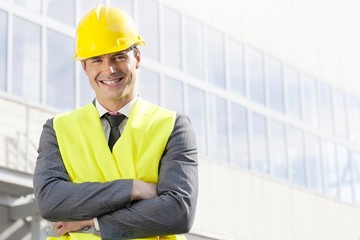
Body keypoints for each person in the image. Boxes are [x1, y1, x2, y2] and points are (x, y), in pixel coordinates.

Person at [33, 4, 198, 240]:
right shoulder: (57, 129)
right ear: (84, 66)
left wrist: (93, 222)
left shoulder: (173, 126)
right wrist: (133, 188)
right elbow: (50, 201)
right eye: (97, 60)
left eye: (119, 56)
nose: (109, 70)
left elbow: (178, 212)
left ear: (137, 57)